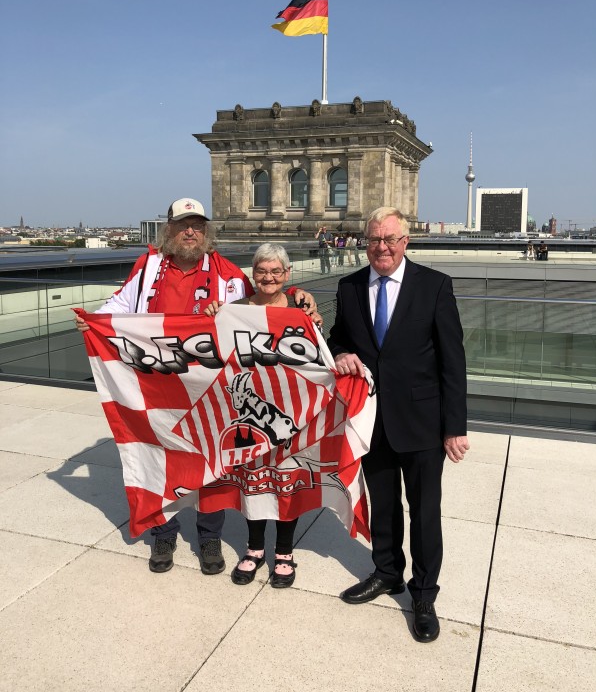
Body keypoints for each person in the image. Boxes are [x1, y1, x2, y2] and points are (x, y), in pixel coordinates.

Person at [75, 198, 317, 576]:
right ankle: (164, 534)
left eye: (198, 225)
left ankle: (208, 536)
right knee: (158, 456)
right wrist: (94, 321)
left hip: (207, 384)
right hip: (155, 380)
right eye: (184, 224)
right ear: (169, 229)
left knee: (211, 457)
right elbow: (119, 305)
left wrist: (299, 293)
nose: (191, 231)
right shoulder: (148, 267)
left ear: (207, 232)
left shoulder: (226, 273)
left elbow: (263, 294)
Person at [328, 206, 469, 643]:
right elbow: (338, 336)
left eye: (390, 239)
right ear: (364, 242)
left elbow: (453, 362)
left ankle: (423, 594)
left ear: (406, 242)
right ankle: (387, 572)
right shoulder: (350, 286)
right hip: (372, 420)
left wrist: (455, 426)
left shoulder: (434, 286)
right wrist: (338, 354)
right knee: (384, 506)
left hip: (424, 423)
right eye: (374, 240)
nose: (382, 247)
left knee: (425, 512)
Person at [206, 243, 321, 588]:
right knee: (253, 481)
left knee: (286, 480)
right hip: (249, 412)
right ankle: (254, 548)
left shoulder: (302, 308)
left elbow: (318, 357)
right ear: (252, 274)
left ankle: (283, 552)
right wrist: (213, 315)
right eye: (261, 271)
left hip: (291, 409)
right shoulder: (235, 309)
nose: (268, 277)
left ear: (287, 275)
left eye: (275, 271)